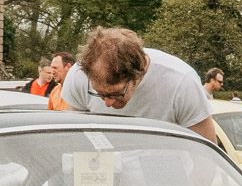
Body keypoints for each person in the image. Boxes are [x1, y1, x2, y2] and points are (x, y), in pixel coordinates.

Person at [58, 27, 217, 143]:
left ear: (138, 73)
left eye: (115, 94)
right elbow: (76, 141)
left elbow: (206, 152)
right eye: (99, 94)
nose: (107, 103)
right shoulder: (78, 77)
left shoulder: (181, 82)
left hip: (167, 176)